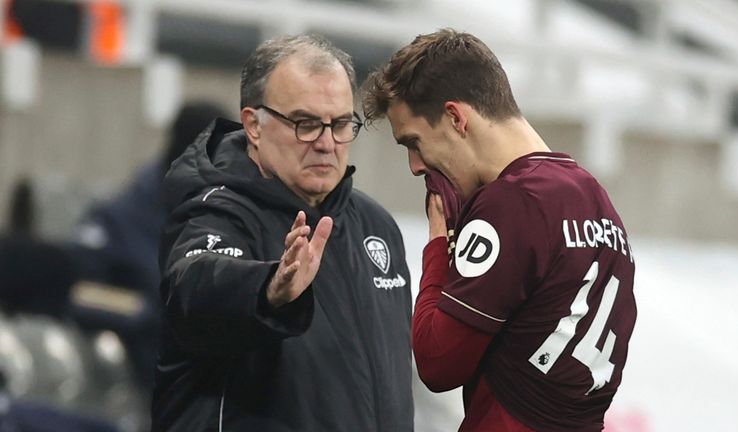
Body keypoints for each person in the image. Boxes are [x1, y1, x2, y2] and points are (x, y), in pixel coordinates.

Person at [362, 29, 637, 431]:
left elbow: (437, 362)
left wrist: (438, 241)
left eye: (414, 142)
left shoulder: (512, 203)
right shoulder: (594, 197)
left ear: (456, 118)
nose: (415, 166)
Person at [151, 35, 414, 431]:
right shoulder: (216, 213)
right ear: (254, 125)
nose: (327, 143)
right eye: (306, 124)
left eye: (341, 124)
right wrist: (268, 290)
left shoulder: (376, 227)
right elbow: (195, 288)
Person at [71, 101, 228, 390]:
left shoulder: (228, 218)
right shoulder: (118, 221)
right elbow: (82, 292)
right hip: (143, 381)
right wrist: (153, 313)